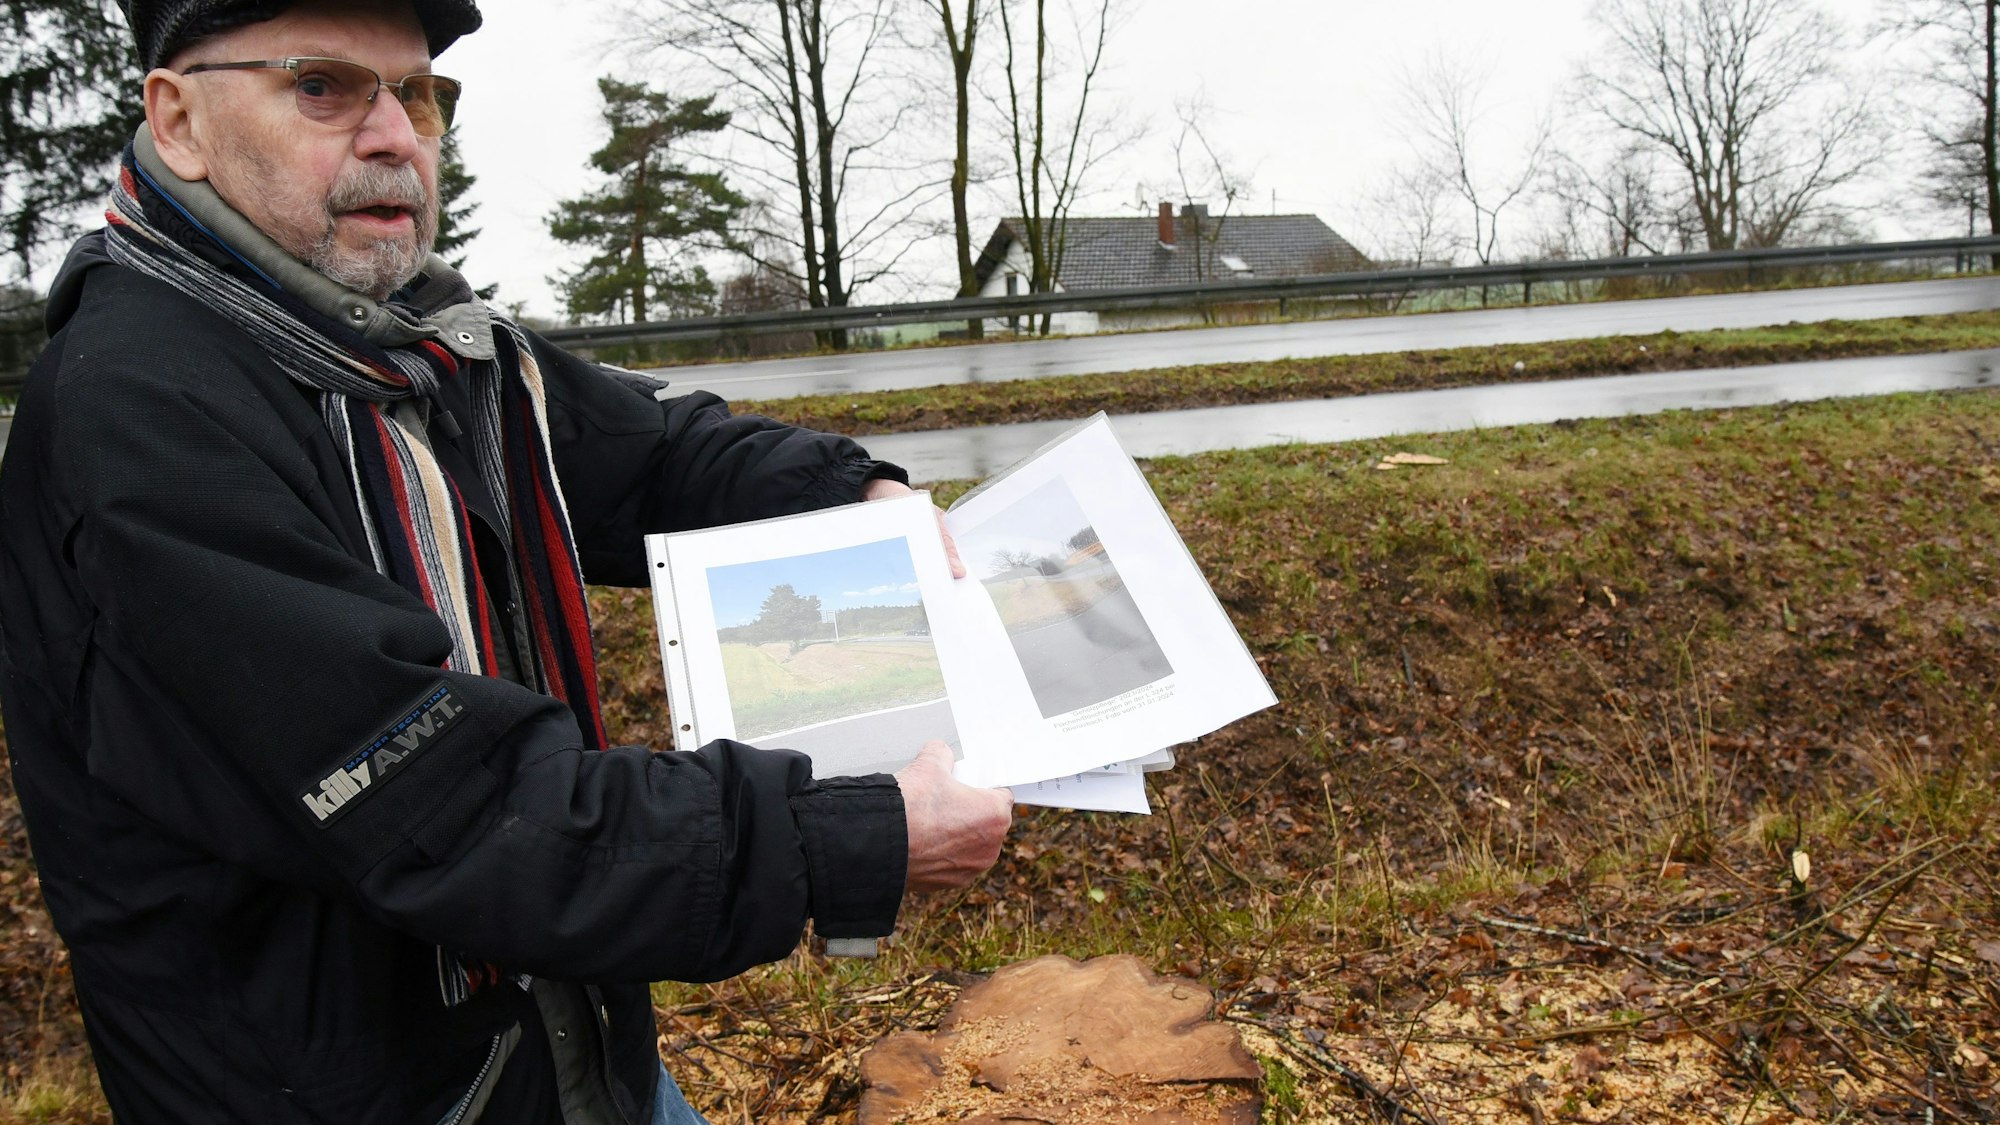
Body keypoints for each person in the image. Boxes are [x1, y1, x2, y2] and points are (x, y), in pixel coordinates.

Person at [0, 0, 1014, 1121]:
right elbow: (451, 810)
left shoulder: (417, 343)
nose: (396, 135)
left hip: (566, 1055)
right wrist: (845, 835)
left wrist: (848, 490)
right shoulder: (137, 417)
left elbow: (643, 452)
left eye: (416, 92)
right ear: (179, 120)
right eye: (323, 86)